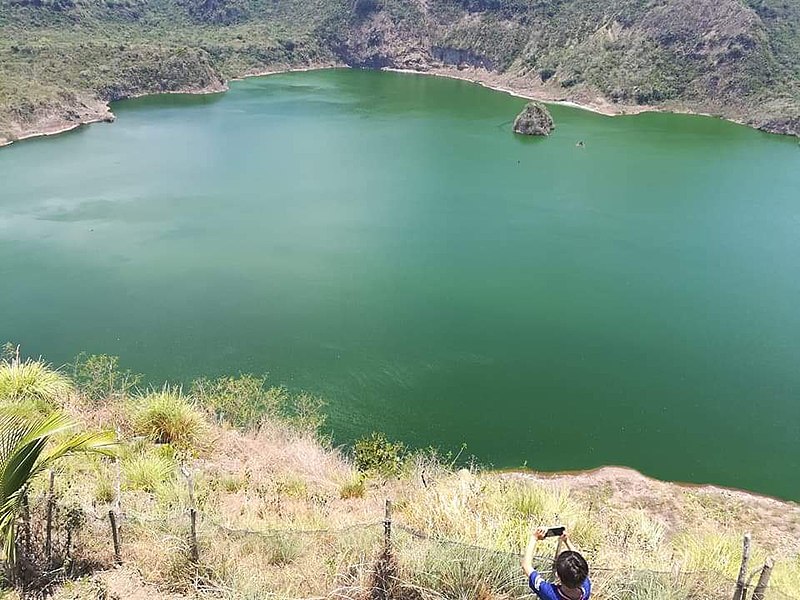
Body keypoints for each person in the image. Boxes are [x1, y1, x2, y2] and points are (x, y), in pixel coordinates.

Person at [521, 527, 591, 600]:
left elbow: (526, 566)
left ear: (558, 575)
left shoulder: (550, 593)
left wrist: (534, 538)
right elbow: (580, 563)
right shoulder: (586, 589)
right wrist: (567, 541)